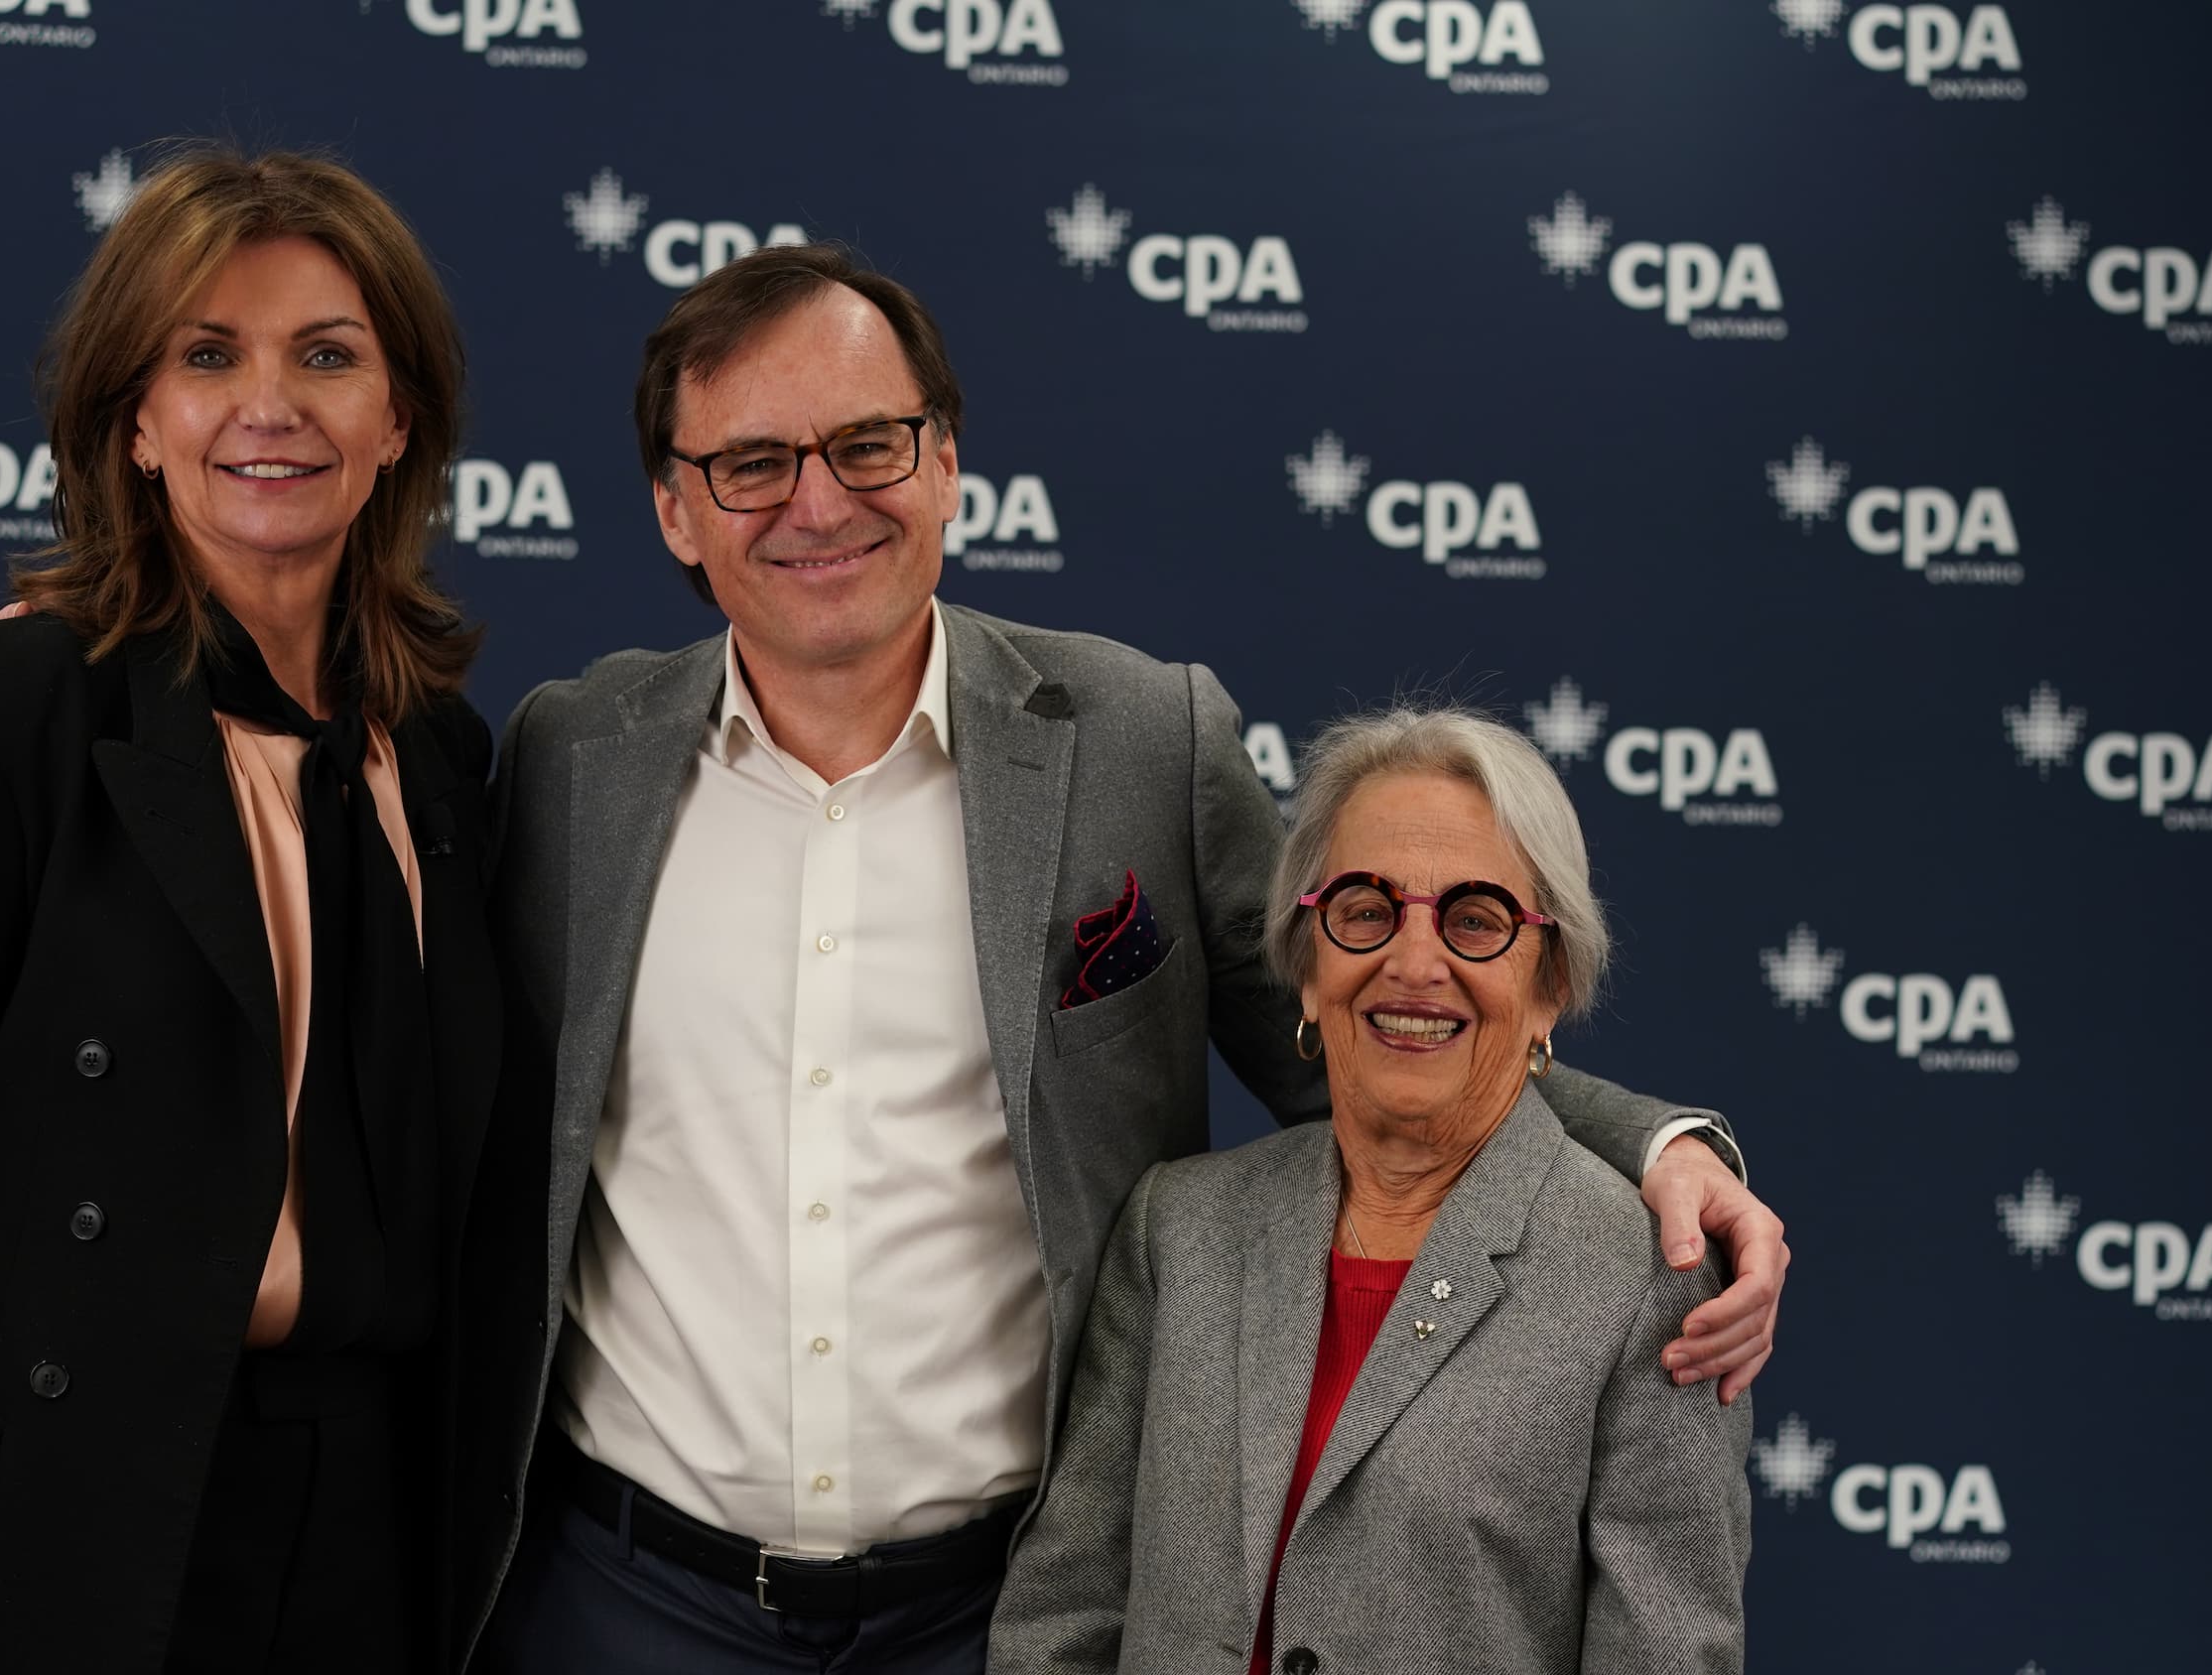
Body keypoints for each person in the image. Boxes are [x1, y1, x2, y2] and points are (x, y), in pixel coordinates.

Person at [463, 242, 1784, 1673]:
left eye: (867, 444)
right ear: (674, 506)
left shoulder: (1141, 738)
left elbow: (1352, 1016)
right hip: (625, 1601)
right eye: (754, 463)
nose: (820, 502)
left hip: (1003, 1607)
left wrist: (1652, 1149)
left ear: (947, 461)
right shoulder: (567, 762)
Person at [0, 146, 504, 1674]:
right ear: (135, 422)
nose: (271, 403)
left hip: (374, 1525)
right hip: (68, 1523)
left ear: (398, 425)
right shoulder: (2, 713)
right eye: (206, 355)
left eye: (328, 355)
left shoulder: (440, 754)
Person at [985, 706, 1753, 1675]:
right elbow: (1064, 1611)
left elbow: (1665, 1651)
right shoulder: (1177, 1229)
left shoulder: (1648, 1280)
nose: (1414, 961)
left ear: (1550, 982)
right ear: (1307, 965)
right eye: (1364, 908)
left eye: (1476, 919)